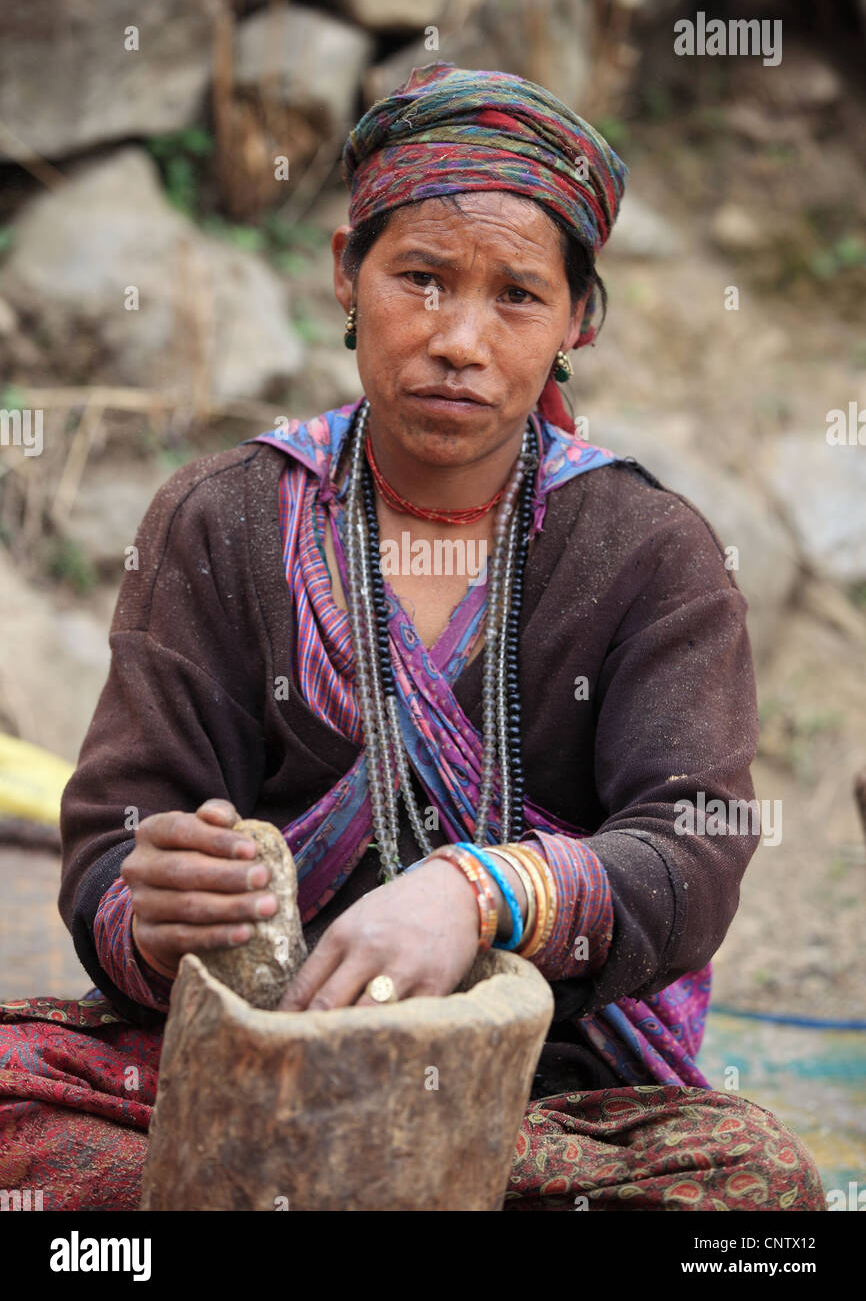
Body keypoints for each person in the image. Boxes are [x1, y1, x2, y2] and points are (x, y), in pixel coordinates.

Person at [0, 63, 825, 1212]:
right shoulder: (222, 521)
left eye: (516, 297)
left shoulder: (649, 553)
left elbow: (689, 855)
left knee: (749, 1190)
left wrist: (477, 892)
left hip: (542, 1090)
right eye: (421, 279)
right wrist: (160, 903)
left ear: (576, 319)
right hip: (262, 1056)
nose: (459, 339)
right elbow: (113, 848)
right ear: (347, 270)